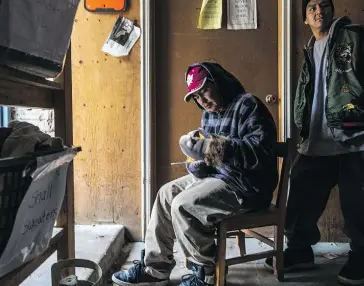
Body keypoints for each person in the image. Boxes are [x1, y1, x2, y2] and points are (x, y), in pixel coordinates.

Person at [264, 0, 364, 285]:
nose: (319, 10)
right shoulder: (310, 48)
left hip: (356, 138)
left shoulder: (354, 35)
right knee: (300, 199)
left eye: (324, 5)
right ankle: (299, 251)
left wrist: (363, 93)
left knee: (358, 206)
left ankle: (363, 255)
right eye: (312, 8)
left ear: (332, 11)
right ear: (305, 19)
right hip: (317, 139)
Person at [112, 62, 278, 286]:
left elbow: (261, 153)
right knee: (165, 194)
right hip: (220, 178)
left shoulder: (248, 105)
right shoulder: (208, 116)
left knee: (184, 204)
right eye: (197, 97)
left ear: (218, 82)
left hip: (247, 186)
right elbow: (210, 160)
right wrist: (197, 161)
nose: (203, 100)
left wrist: (215, 148)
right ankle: (155, 269)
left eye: (205, 91)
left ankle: (205, 275)